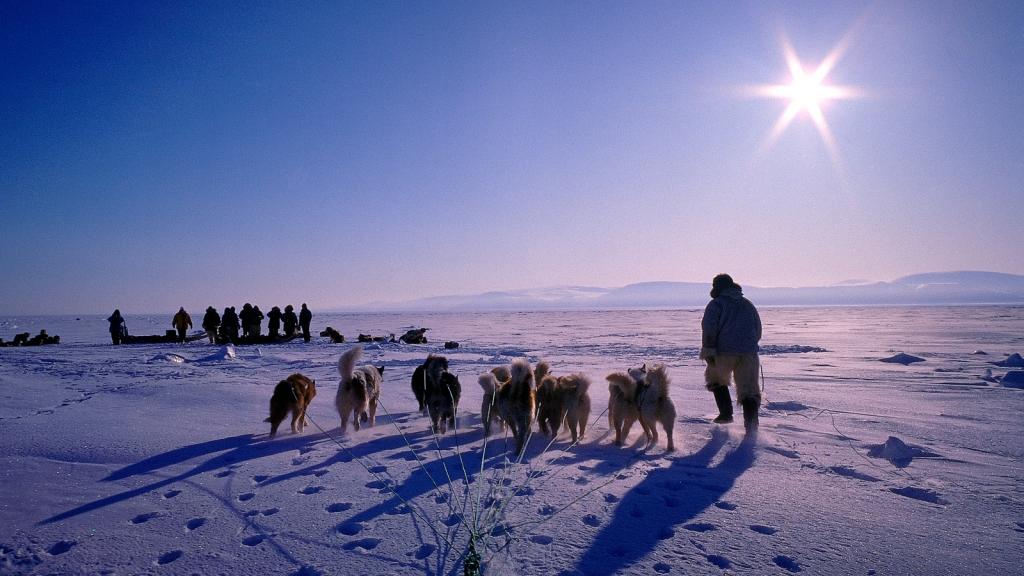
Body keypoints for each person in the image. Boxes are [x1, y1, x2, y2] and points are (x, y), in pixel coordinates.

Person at [700, 274, 762, 430]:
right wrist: (750, 345)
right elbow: (758, 328)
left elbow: (709, 329)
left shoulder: (716, 304)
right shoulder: (747, 304)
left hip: (723, 352)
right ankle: (752, 426)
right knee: (749, 389)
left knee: (715, 379)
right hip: (748, 353)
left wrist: (708, 351)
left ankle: (726, 414)